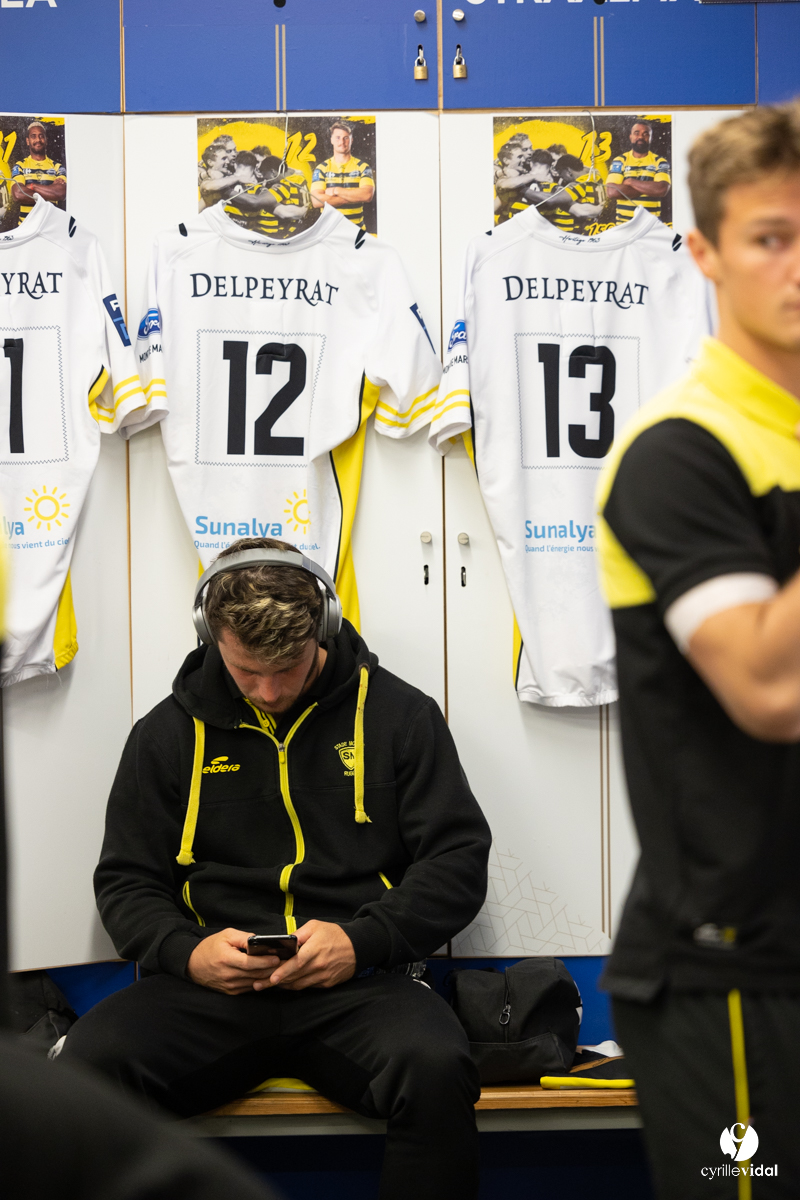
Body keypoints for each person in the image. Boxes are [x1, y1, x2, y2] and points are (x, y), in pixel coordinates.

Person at [62, 538, 492, 1200]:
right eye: (245, 671)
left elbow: (456, 862)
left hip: (361, 986)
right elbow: (126, 881)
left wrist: (362, 941)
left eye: (288, 669)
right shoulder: (164, 735)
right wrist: (188, 952)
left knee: (436, 1066)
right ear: (210, 636)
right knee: (88, 1066)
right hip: (210, 992)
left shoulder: (401, 717)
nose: (269, 691)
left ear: (323, 629)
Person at [596, 101, 800, 1197]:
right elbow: (769, 685)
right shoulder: (679, 451)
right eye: (772, 237)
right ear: (706, 253)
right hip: (734, 976)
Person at [224, 154, 312, 239]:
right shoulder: (299, 177)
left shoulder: (285, 185)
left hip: (289, 232)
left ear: (273, 172)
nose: (266, 181)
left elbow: (257, 201)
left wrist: (228, 192)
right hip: (300, 228)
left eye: (266, 177)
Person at [311, 119, 375, 228]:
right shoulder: (321, 168)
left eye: (346, 138)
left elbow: (367, 195)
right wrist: (353, 197)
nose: (342, 142)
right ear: (331, 140)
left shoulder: (363, 167)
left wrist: (336, 190)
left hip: (356, 230)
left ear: (351, 140)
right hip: (329, 231)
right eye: (337, 137)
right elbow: (316, 201)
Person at [606, 120, 671, 226]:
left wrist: (630, 182)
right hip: (624, 225)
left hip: (651, 226)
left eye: (646, 134)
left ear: (651, 138)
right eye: (636, 133)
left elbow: (662, 189)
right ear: (630, 136)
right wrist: (649, 188)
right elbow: (612, 191)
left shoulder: (660, 161)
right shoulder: (620, 160)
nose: (641, 137)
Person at [529, 153, 604, 235]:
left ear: (568, 171)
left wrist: (525, 191)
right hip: (595, 228)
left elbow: (552, 199)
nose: (562, 179)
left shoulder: (579, 184)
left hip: (584, 231)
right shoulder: (596, 175)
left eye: (561, 174)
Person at [10, 121, 66, 223]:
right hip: (26, 227)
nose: (38, 140)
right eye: (33, 136)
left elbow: (61, 193)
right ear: (28, 141)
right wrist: (50, 193)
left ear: (46, 140)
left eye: (41, 136)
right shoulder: (20, 166)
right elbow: (18, 194)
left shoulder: (57, 167)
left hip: (50, 226)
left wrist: (32, 186)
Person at [494, 144, 553, 223]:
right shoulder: (505, 179)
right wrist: (534, 176)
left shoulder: (523, 177)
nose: (524, 160)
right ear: (506, 160)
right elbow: (503, 185)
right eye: (519, 157)